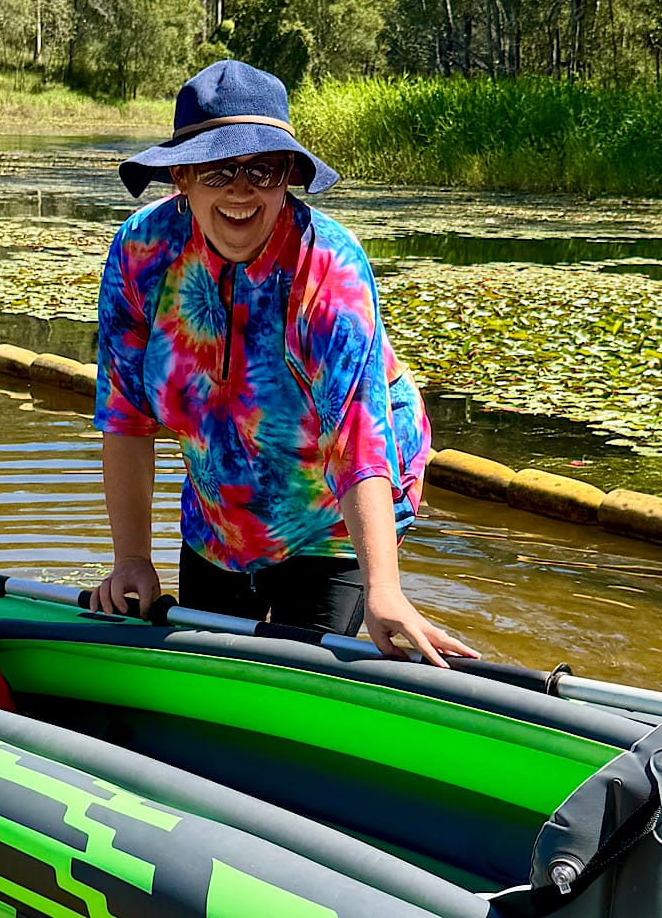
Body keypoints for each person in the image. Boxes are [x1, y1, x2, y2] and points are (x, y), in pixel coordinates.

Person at [89, 60, 478, 668]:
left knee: (304, 679)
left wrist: (385, 588)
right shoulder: (143, 254)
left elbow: (357, 437)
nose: (241, 190)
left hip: (333, 512)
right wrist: (133, 559)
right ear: (183, 177)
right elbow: (126, 417)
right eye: (219, 169)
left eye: (263, 170)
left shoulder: (330, 267)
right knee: (213, 678)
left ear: (288, 177)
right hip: (219, 511)